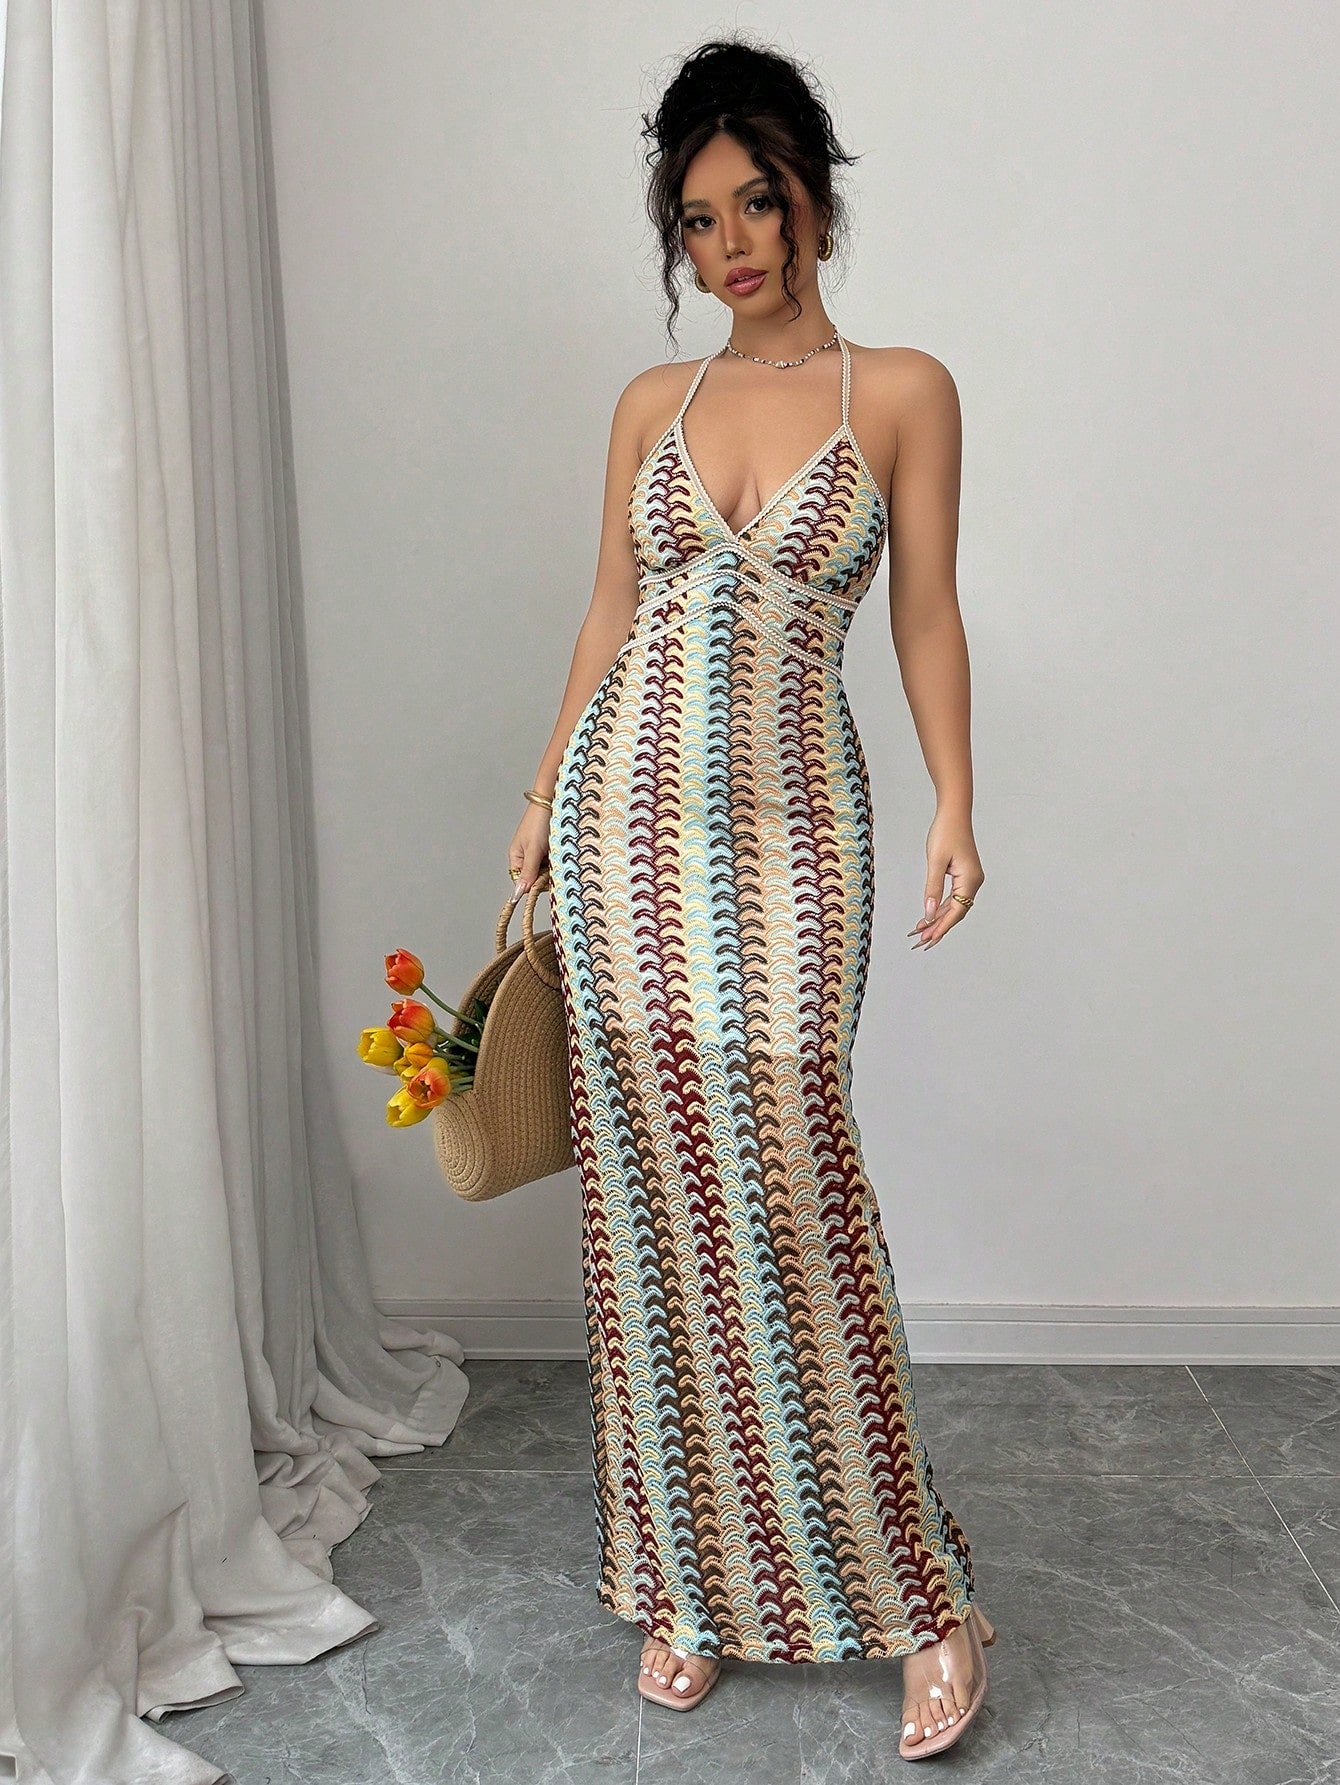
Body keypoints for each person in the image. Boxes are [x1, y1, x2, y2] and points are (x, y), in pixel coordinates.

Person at [506, 36, 992, 1761]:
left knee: (789, 1191)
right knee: (652, 1207)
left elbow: (924, 611)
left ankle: (922, 1600)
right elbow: (606, 612)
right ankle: (691, 1581)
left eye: (757, 205)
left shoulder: (903, 389)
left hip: (795, 832)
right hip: (621, 824)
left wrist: (956, 796)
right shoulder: (653, 405)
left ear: (812, 203)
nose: (731, 244)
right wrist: (538, 800)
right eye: (699, 219)